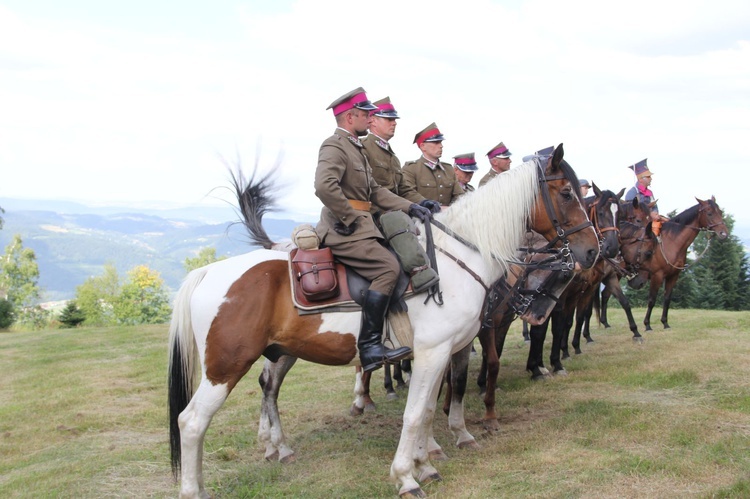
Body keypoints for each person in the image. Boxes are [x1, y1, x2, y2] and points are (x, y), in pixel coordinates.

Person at [314, 87, 433, 373]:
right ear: (349, 116)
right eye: (366, 114)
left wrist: (410, 207)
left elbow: (376, 191)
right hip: (343, 228)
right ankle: (369, 347)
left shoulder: (356, 147)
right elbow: (323, 186)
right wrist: (349, 219)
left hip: (361, 226)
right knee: (387, 269)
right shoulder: (334, 145)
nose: (370, 118)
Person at [361, 97, 440, 213]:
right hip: (373, 215)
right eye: (389, 119)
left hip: (396, 214)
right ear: (373, 120)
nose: (394, 123)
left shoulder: (393, 158)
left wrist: (423, 202)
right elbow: (361, 188)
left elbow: (403, 189)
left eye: (394, 119)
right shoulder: (363, 148)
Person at [402, 123, 465, 207]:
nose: (441, 146)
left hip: (448, 217)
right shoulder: (411, 169)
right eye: (436, 142)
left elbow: (459, 196)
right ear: (423, 146)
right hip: (422, 217)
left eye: (441, 142)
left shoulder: (449, 169)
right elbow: (409, 194)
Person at [624, 158, 666, 239]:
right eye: (648, 177)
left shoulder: (650, 192)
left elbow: (655, 208)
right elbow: (630, 212)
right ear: (640, 179)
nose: (651, 179)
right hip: (638, 224)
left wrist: (656, 214)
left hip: (652, 220)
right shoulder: (632, 193)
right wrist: (649, 214)